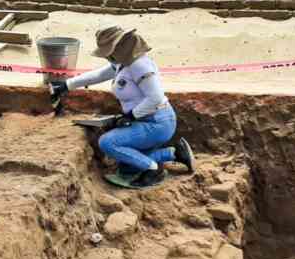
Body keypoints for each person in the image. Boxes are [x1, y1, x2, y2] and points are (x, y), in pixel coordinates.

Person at [50, 25, 194, 188]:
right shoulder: (123, 63)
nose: (107, 57)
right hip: (146, 120)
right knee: (128, 164)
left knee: (108, 143)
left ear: (120, 47)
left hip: (157, 123)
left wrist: (130, 116)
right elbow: (98, 75)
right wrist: (66, 85)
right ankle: (174, 153)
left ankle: (153, 171)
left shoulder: (140, 66)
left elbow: (156, 98)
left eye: (108, 52)